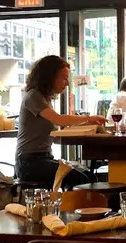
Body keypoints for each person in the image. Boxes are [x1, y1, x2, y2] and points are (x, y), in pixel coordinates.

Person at [15, 56, 105, 189]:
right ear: (49, 77)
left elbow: (56, 132)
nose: (67, 83)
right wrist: (88, 118)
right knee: (81, 180)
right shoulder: (33, 96)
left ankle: (74, 207)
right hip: (29, 163)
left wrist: (91, 125)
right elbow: (59, 119)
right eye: (63, 78)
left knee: (90, 176)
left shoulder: (45, 100)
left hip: (44, 159)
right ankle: (72, 208)